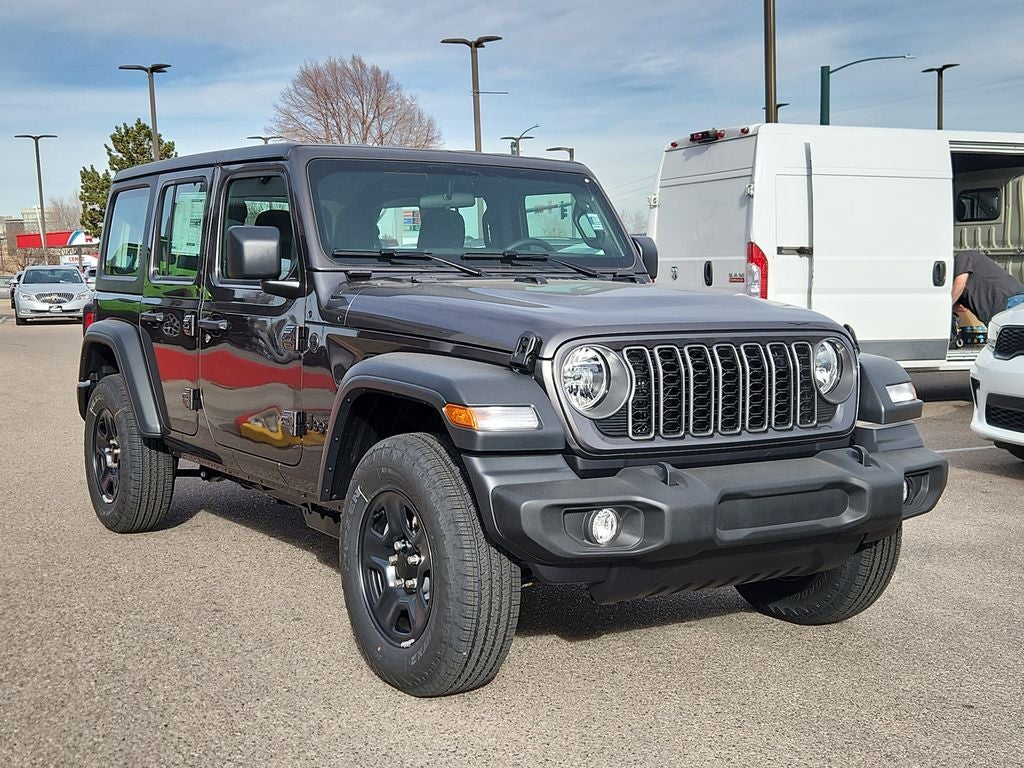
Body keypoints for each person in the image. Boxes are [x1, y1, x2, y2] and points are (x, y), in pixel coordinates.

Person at [951, 249, 1024, 325]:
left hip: (1008, 301)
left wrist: (943, 306)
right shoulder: (955, 287)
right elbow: (962, 308)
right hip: (1006, 303)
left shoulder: (962, 257)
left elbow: (960, 284)